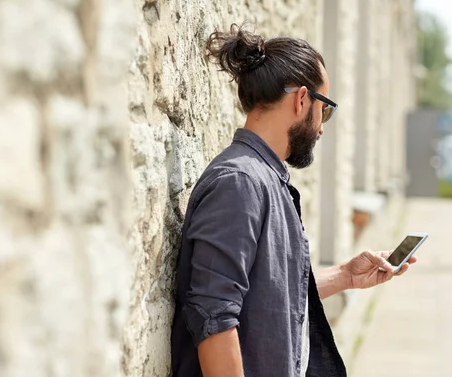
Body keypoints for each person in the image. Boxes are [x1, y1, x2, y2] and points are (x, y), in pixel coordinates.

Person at [171, 24, 417, 377]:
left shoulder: (264, 178)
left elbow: (269, 296)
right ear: (302, 100)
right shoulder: (239, 182)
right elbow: (214, 318)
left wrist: (346, 275)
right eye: (325, 109)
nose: (321, 127)